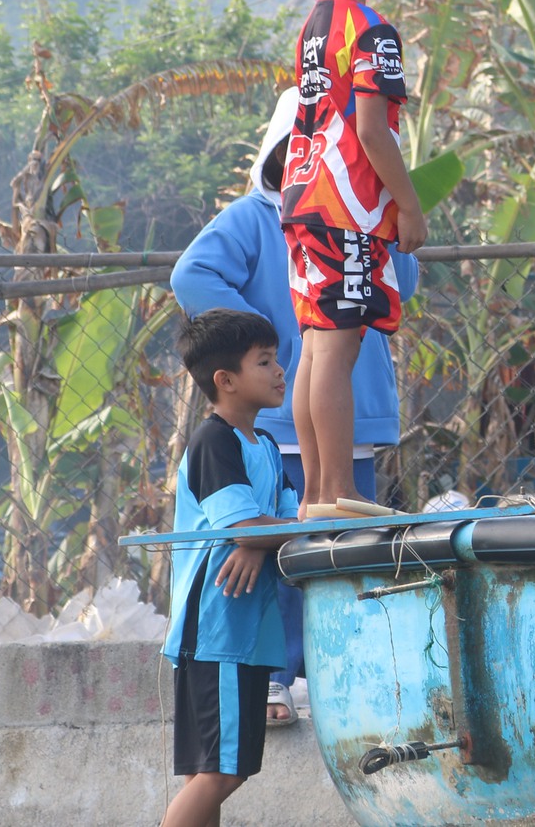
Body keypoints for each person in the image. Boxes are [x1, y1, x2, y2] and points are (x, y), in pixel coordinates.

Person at [170, 88, 420, 725]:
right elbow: (191, 275)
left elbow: (405, 281)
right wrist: (265, 342)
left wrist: (385, 228)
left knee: (347, 546)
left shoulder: (362, 222)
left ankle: (334, 676)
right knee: (280, 556)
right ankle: (277, 678)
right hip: (278, 426)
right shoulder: (254, 218)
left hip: (354, 414)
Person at [279, 0, 426, 516]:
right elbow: (372, 130)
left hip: (304, 199)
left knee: (315, 347)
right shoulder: (371, 30)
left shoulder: (315, 24)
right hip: (349, 208)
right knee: (337, 350)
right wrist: (410, 204)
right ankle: (338, 493)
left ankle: (315, 493)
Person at [162, 309, 300, 827]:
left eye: (276, 359)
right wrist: (254, 535)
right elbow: (247, 527)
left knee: (218, 772)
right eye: (264, 361)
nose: (280, 370)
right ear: (225, 381)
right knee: (221, 773)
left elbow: (282, 521)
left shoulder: (264, 446)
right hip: (215, 632)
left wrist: (259, 539)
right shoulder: (214, 442)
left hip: (245, 634)